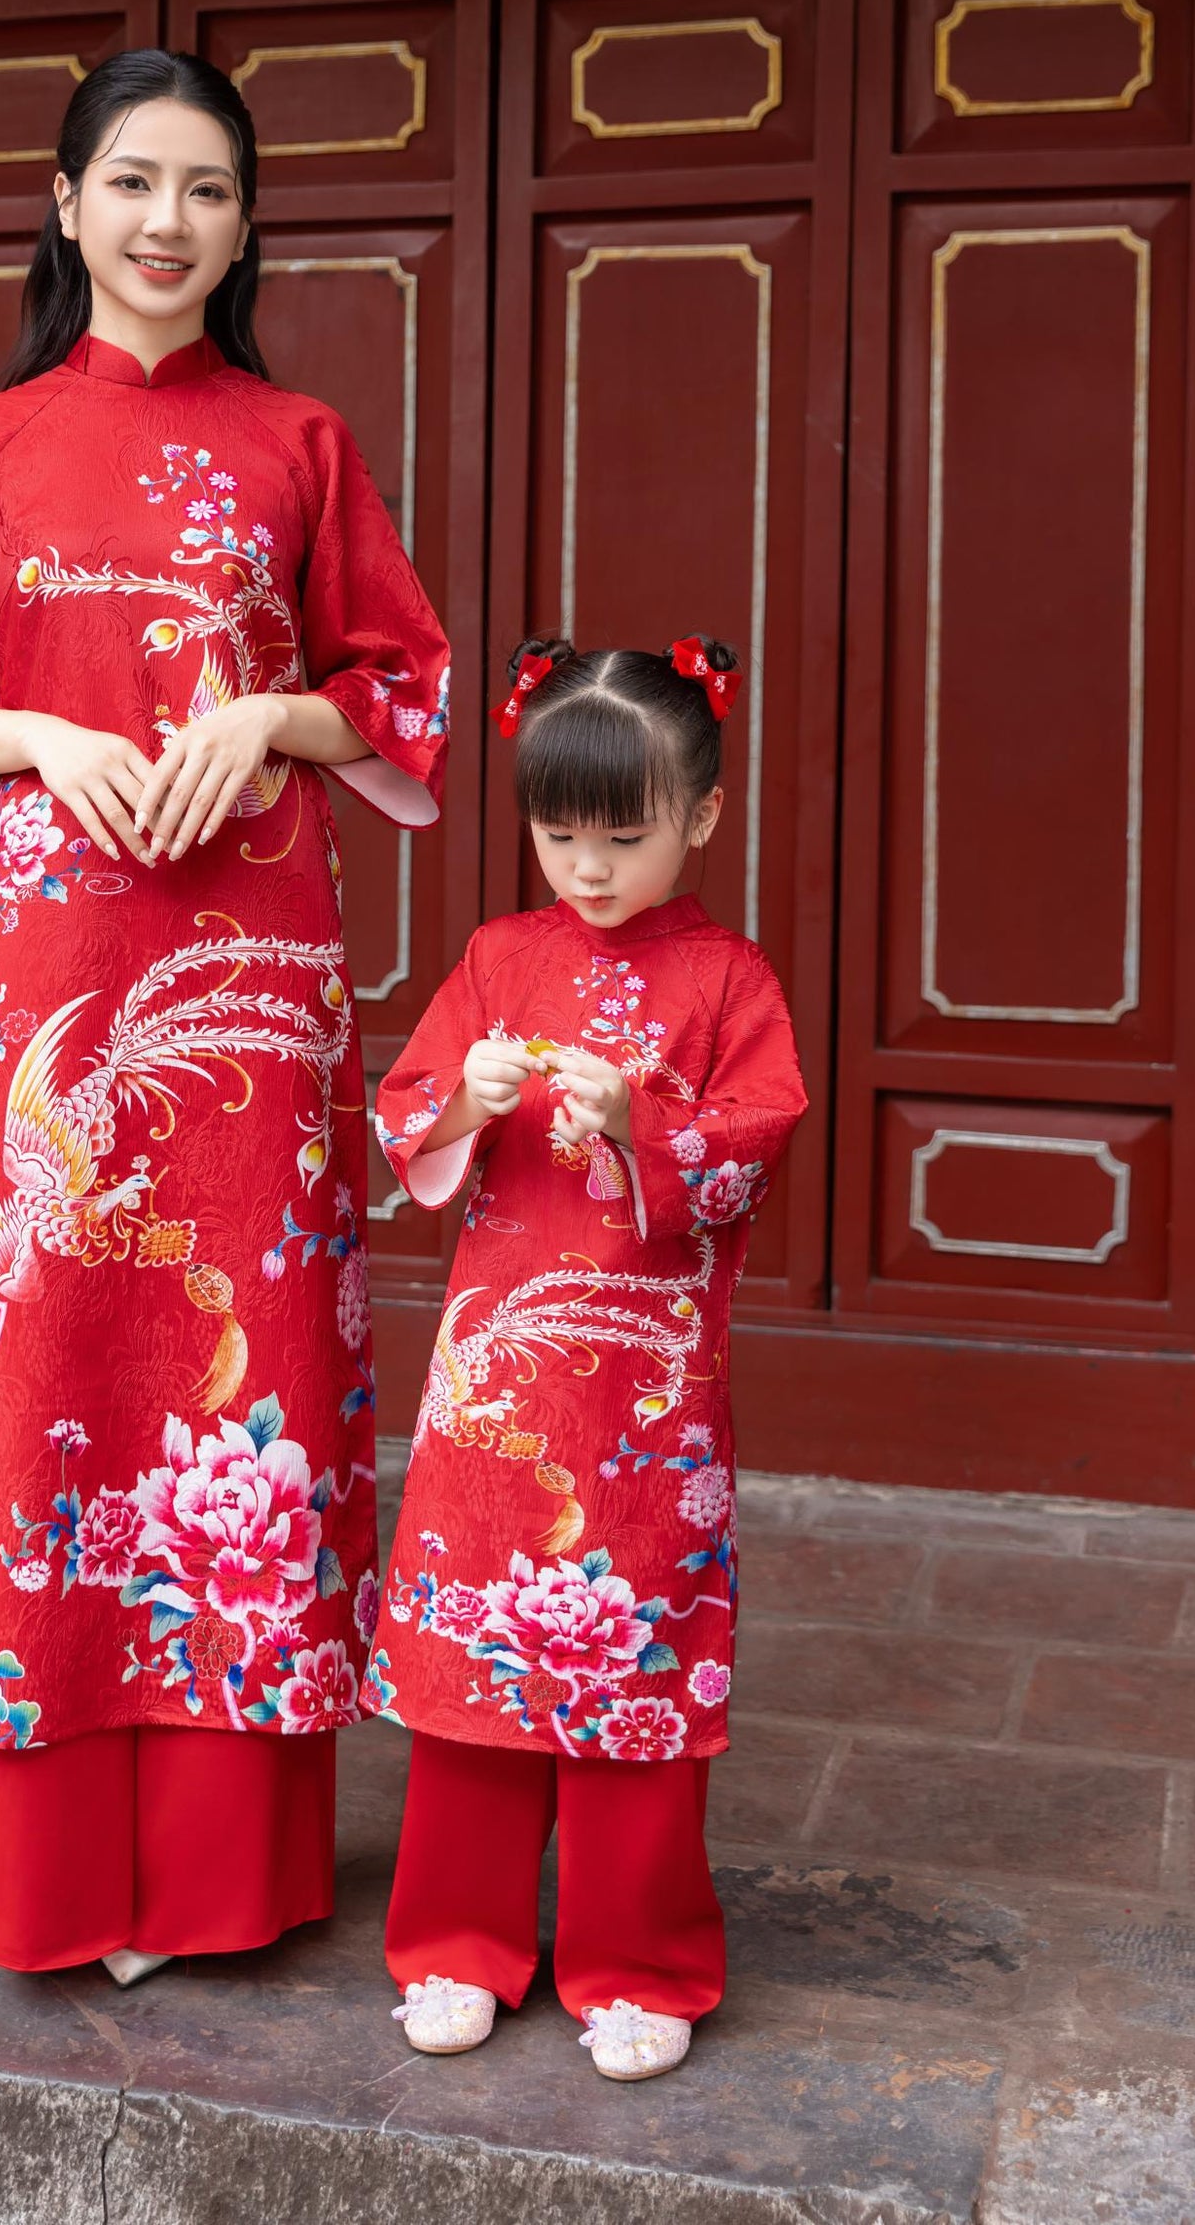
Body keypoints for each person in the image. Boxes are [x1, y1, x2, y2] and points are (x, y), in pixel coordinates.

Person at [0, 50, 449, 1985]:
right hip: (53, 955)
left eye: (205, 190)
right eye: (132, 183)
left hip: (255, 981)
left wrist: (271, 716)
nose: (167, 222)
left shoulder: (300, 443)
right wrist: (31, 734)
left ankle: (225, 1871)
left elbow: (407, 695)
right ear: (66, 205)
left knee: (242, 1352)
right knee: (55, 1356)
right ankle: (67, 1872)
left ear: (246, 225)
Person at [366, 636, 804, 2080]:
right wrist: (460, 1100)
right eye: (560, 836)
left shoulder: (729, 980)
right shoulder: (499, 958)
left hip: (646, 1393)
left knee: (633, 1660)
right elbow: (404, 1116)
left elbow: (751, 1143)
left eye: (623, 836)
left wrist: (635, 1122)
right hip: (496, 1371)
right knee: (473, 1663)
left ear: (702, 817)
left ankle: (640, 1962)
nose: (589, 870)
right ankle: (454, 1943)